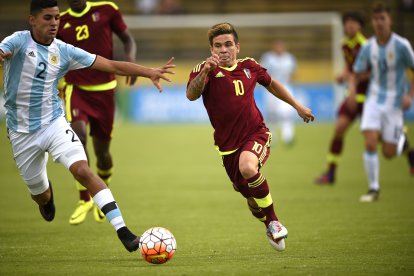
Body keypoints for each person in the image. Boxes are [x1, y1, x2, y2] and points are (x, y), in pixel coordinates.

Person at [0, 0, 174, 252]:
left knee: (83, 170)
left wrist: (148, 72)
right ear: (32, 20)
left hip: (53, 124)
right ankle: (46, 197)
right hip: (21, 133)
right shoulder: (17, 41)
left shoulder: (65, 50)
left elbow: (112, 65)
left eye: (57, 18)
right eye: (47, 18)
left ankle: (124, 232)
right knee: (41, 195)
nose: (54, 23)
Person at [186, 23, 314, 252]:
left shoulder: (249, 66)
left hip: (256, 133)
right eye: (218, 46)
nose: (223, 50)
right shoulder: (202, 70)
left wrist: (296, 105)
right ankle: (267, 223)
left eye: (228, 45)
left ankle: (274, 221)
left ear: (237, 46)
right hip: (227, 147)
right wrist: (205, 71)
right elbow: (191, 95)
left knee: (248, 166)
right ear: (211, 49)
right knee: (251, 199)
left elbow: (272, 84)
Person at [57, 0, 137, 225]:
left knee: (103, 153)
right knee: (78, 138)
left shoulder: (107, 9)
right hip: (76, 89)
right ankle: (84, 199)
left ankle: (104, 190)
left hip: (105, 92)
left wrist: (130, 59)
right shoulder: (61, 21)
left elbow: (128, 39)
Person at [350, 3, 414, 202]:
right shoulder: (368, 47)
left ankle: (401, 137)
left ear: (390, 21)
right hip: (373, 100)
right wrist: (351, 90)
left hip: (395, 103)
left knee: (388, 153)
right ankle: (373, 189)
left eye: (382, 19)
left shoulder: (402, 45)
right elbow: (357, 72)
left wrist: (409, 96)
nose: (379, 23)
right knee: (369, 142)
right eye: (376, 19)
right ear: (372, 22)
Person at [315, 11, 369, 184]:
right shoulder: (345, 43)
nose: (349, 26)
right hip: (353, 95)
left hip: (370, 97)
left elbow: (372, 72)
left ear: (360, 25)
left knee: (380, 139)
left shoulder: (366, 45)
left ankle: (410, 155)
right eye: (347, 23)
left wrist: (352, 82)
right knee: (339, 130)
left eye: (353, 23)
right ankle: (330, 173)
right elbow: (350, 68)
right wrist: (343, 74)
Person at [260, 40, 297, 146]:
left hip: (285, 87)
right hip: (271, 87)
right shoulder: (267, 58)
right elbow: (262, 72)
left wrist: (289, 80)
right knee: (271, 114)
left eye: (281, 46)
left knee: (287, 112)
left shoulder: (290, 58)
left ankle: (288, 137)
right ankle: (271, 136)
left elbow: (293, 73)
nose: (279, 48)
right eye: (278, 46)